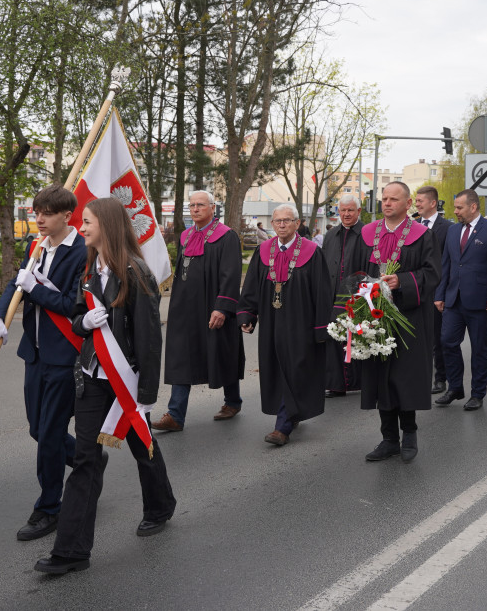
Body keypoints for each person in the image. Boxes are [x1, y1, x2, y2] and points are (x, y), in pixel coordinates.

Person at [36, 198, 175, 575]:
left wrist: (145, 395)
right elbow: (79, 318)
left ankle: (160, 505)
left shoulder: (136, 271)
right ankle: (72, 551)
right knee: (85, 459)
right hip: (93, 380)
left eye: (88, 222)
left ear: (108, 225)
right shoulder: (88, 268)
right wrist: (84, 324)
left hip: (125, 382)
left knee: (140, 444)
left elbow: (148, 338)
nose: (81, 228)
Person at [0, 184, 87, 541]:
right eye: (36, 212)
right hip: (35, 353)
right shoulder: (35, 248)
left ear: (66, 215)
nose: (39, 219)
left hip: (64, 355)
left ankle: (49, 508)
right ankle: (86, 461)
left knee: (48, 434)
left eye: (46, 213)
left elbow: (72, 307)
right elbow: (15, 287)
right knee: (38, 429)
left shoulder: (82, 252)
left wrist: (36, 289)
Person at [357, 182, 439, 461]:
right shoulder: (367, 233)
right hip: (375, 316)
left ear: (408, 204)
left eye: (394, 199)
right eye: (384, 199)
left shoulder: (422, 235)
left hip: (409, 316)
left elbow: (432, 274)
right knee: (381, 377)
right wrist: (364, 290)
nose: (387, 203)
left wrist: (402, 281)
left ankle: (410, 435)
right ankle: (389, 438)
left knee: (405, 377)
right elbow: (354, 271)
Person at [238, 203, 330, 446]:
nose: (281, 225)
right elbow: (251, 287)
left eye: (287, 221)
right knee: (276, 368)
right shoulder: (264, 250)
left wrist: (322, 328)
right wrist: (247, 314)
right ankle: (290, 412)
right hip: (271, 321)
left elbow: (321, 292)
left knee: (296, 368)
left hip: (301, 323)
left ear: (297, 224)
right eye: (277, 221)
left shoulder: (311, 251)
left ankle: (283, 426)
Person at [154, 191, 244, 432]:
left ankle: (233, 401)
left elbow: (231, 275)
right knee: (181, 356)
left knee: (222, 353)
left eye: (200, 205)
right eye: (192, 205)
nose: (195, 209)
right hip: (185, 308)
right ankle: (175, 415)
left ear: (213, 208)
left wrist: (222, 307)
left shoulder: (227, 237)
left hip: (212, 306)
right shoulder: (185, 235)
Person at [434, 189, 487, 411]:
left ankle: (477, 393)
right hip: (453, 299)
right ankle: (455, 387)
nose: (455, 211)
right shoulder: (453, 230)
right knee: (447, 342)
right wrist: (440, 294)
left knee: (479, 349)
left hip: (480, 301)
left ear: (473, 207)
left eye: (459, 208)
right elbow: (446, 264)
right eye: (455, 208)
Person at [412, 186, 454, 394]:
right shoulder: (412, 226)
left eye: (420, 201)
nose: (417, 204)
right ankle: (420, 377)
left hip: (437, 293)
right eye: (416, 200)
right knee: (419, 339)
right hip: (416, 291)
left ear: (432, 203)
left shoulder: (447, 228)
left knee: (438, 339)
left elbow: (448, 263)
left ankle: (441, 379)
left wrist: (442, 294)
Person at [323, 194, 365, 397]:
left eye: (351, 210)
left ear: (359, 211)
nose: (346, 214)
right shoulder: (331, 235)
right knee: (334, 339)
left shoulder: (367, 233)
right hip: (333, 295)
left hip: (359, 297)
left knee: (359, 338)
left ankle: (362, 382)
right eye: (343, 210)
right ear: (338, 212)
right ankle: (336, 384)